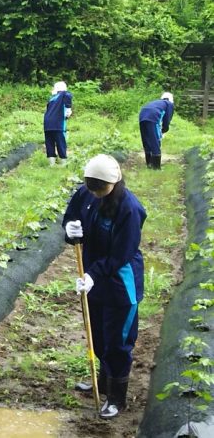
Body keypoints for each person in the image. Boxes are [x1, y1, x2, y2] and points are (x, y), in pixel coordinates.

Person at [63, 154, 146, 419]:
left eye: (101, 189)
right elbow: (72, 215)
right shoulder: (86, 193)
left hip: (120, 283)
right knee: (98, 334)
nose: (95, 193)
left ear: (114, 181)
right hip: (94, 279)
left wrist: (93, 275)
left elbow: (121, 254)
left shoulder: (129, 209)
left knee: (117, 341)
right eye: (92, 188)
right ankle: (101, 382)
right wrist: (69, 229)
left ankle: (116, 397)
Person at [138, 93, 174, 169]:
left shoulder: (157, 102)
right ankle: (156, 167)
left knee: (146, 139)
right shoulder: (169, 104)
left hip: (142, 115)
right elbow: (167, 119)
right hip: (153, 117)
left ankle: (149, 164)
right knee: (155, 141)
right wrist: (164, 130)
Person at [44, 81, 73, 165]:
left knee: (49, 143)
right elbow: (68, 96)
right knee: (61, 142)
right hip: (58, 124)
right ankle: (63, 163)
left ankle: (51, 164)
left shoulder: (51, 98)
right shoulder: (64, 94)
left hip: (47, 124)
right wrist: (68, 110)